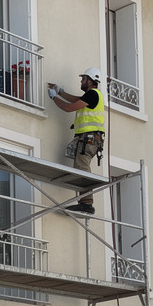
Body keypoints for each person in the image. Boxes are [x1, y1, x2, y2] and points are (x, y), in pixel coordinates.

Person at [47, 67, 105, 213]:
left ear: (91, 81)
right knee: (80, 167)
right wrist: (60, 92)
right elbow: (76, 99)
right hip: (91, 138)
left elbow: (68, 107)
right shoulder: (91, 95)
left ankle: (86, 203)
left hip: (89, 138)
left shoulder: (93, 94)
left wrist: (54, 97)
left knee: (82, 168)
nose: (81, 81)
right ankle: (84, 201)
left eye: (84, 78)